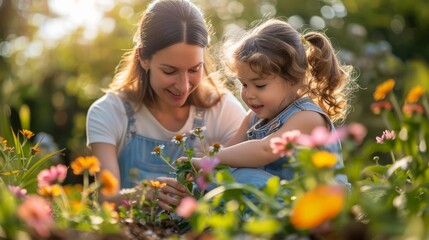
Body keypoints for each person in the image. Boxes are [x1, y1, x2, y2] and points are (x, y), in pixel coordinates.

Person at [86, 0, 246, 211]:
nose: (183, 86)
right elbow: (107, 199)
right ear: (143, 58)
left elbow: (244, 182)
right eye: (170, 71)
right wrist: (143, 195)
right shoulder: (109, 112)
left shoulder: (222, 109)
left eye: (194, 69)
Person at [186, 18, 356, 189]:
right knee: (220, 179)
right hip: (277, 203)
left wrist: (207, 161)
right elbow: (228, 155)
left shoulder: (308, 117)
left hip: (319, 204)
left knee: (245, 177)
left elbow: (265, 150)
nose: (249, 94)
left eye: (260, 85)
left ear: (294, 79)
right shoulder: (253, 118)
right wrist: (197, 178)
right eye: (244, 84)